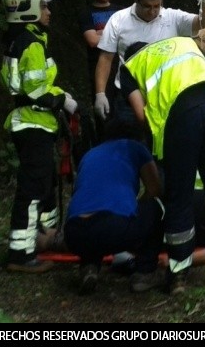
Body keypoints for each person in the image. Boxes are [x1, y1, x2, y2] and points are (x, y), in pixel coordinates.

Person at [120, 37, 205, 295]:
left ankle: (178, 277)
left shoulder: (130, 66)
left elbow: (140, 115)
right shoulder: (183, 43)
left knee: (178, 195)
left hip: (183, 117)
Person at [0, 0, 79, 273]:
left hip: (34, 124)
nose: (50, 11)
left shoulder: (23, 39)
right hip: (32, 124)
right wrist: (63, 101)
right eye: (45, 6)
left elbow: (34, 86)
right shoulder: (31, 43)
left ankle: (46, 238)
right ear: (28, 8)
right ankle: (21, 254)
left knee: (45, 183)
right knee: (33, 188)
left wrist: (60, 96)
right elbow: (35, 90)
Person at [63, 119, 164, 295]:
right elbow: (154, 189)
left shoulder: (90, 154)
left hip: (73, 233)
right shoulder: (135, 147)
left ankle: (89, 267)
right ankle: (145, 274)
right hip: (112, 228)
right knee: (155, 207)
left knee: (94, 218)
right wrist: (136, 208)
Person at [93, 0, 205, 124]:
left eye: (157, 6)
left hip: (164, 95)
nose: (152, 11)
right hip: (128, 96)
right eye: (147, 6)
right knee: (130, 141)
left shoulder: (172, 17)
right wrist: (100, 93)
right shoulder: (118, 20)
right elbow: (105, 58)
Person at [77, 0, 122, 145]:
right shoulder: (86, 13)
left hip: (122, 69)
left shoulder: (120, 11)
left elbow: (128, 36)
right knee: (104, 117)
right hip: (98, 72)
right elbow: (92, 41)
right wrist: (114, 33)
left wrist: (101, 33)